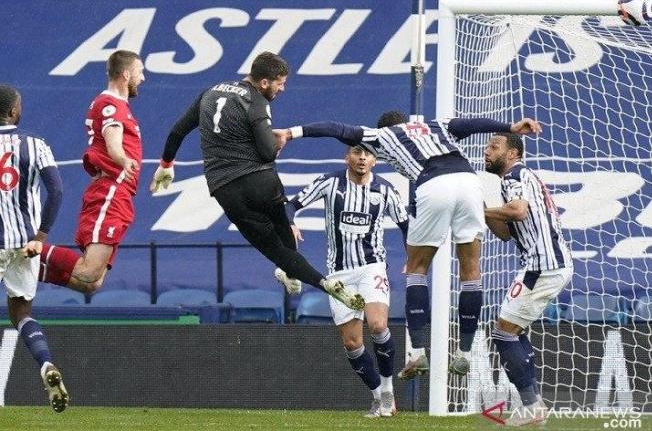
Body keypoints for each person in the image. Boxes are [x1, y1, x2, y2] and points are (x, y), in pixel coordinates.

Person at [274, 111, 541, 378]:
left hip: (434, 184)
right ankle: (464, 354)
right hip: (470, 183)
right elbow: (471, 124)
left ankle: (417, 353)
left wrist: (291, 132)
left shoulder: (382, 136)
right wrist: (510, 126)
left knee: (417, 269)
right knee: (471, 271)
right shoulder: (436, 125)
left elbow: (336, 127)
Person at [149, 52, 364, 311]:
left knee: (273, 247)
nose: (282, 88)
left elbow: (177, 131)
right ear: (263, 83)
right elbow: (266, 152)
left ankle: (321, 282)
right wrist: (276, 140)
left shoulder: (210, 92)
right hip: (260, 181)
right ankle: (297, 273)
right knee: (284, 232)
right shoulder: (256, 101)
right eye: (279, 83)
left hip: (225, 188)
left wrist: (166, 165)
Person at [280, 145, 408, 417]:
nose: (362, 158)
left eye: (368, 154)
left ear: (375, 160)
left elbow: (406, 224)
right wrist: (291, 223)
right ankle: (377, 397)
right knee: (352, 343)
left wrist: (413, 258)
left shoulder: (385, 190)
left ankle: (387, 391)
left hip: (371, 267)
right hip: (339, 274)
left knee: (377, 324)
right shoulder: (330, 183)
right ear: (346, 157)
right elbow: (291, 205)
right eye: (357, 152)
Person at [482, 132, 573, 426]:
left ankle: (533, 406)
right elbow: (507, 233)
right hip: (548, 264)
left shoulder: (514, 175)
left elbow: (518, 211)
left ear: (511, 154)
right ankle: (534, 404)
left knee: (503, 333)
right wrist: (483, 213)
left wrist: (479, 208)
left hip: (542, 266)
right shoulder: (523, 177)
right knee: (514, 331)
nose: (487, 151)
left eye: (494, 147)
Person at [37, 50, 144, 293]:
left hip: (120, 193)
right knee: (87, 272)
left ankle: (26, 264)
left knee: (91, 283)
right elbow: (112, 140)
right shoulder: (111, 104)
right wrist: (123, 160)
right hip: (111, 191)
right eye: (140, 71)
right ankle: (22, 247)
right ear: (126, 74)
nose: (143, 78)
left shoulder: (117, 106)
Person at [0, 85, 68, 412]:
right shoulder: (35, 144)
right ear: (14, 111)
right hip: (25, 243)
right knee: (22, 313)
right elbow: (55, 190)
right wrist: (40, 236)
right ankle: (45, 365)